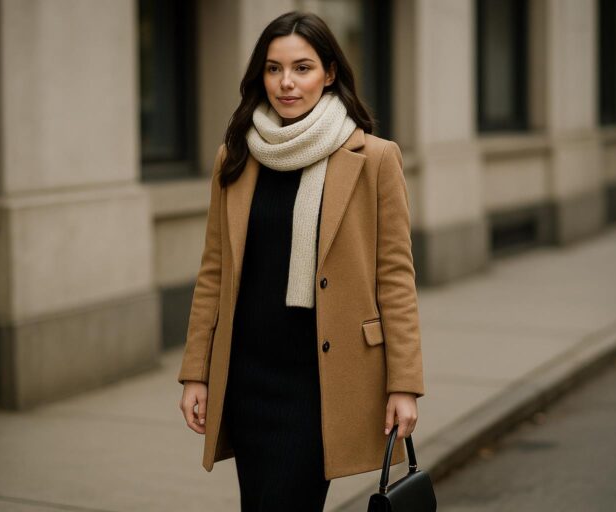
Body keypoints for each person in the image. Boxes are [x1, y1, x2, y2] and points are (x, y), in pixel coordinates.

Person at [178, 11, 424, 512]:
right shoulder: (237, 157)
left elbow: (395, 279)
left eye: (302, 68)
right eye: (273, 69)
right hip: (248, 379)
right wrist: (196, 373)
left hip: (322, 383)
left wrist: (405, 385)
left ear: (330, 73)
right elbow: (214, 273)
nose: (286, 83)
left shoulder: (373, 158)